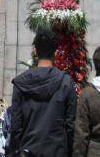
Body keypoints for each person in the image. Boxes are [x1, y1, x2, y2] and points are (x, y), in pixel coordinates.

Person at [8, 29, 76, 157]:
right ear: (56, 52)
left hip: (28, 150)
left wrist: (14, 151)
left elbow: (15, 125)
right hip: (57, 150)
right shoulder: (65, 82)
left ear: (35, 50)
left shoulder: (21, 83)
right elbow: (71, 124)